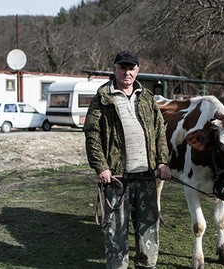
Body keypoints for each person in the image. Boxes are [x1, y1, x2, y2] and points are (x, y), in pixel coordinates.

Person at [84, 51, 171, 269]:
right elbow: (92, 134)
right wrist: (101, 167)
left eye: (131, 68)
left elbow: (160, 131)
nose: (127, 72)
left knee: (148, 228)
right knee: (116, 231)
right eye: (123, 68)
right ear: (114, 69)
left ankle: (146, 266)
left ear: (137, 70)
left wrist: (162, 162)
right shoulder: (102, 99)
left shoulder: (147, 98)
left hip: (147, 176)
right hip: (117, 179)